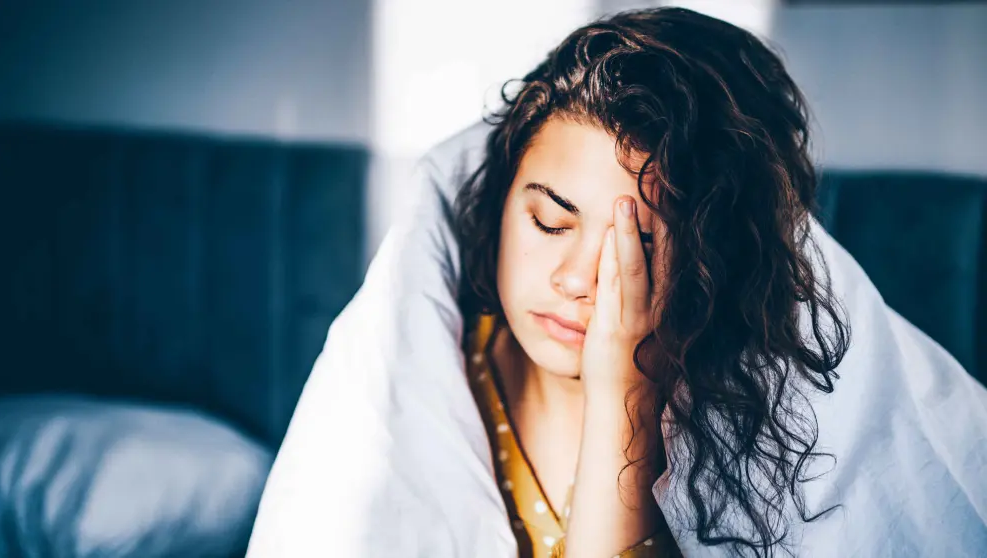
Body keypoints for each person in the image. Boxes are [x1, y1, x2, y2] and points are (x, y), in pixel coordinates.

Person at [246, 7, 987, 558]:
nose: (579, 280)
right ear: (501, 201)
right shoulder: (422, 376)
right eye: (550, 221)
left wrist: (624, 400)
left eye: (639, 247)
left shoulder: (738, 415)